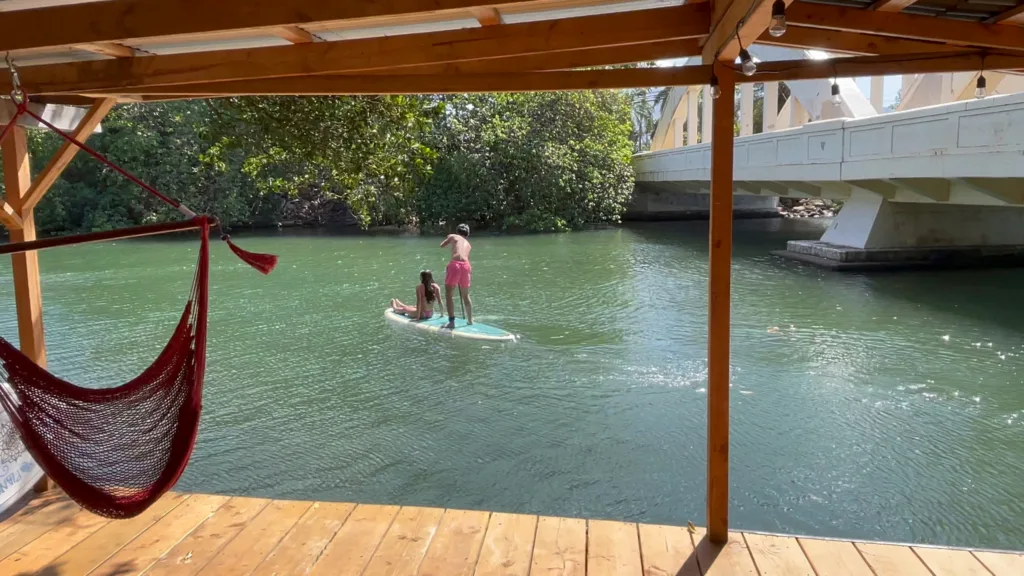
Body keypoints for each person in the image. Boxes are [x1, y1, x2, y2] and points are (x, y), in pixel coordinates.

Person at [441, 223, 473, 328]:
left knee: (449, 294)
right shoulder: (469, 244)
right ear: (467, 235)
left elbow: (442, 245)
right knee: (466, 295)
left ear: (457, 232)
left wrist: (449, 239)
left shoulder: (453, 236)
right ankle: (470, 320)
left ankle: (451, 322)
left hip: (455, 264)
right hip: (466, 266)